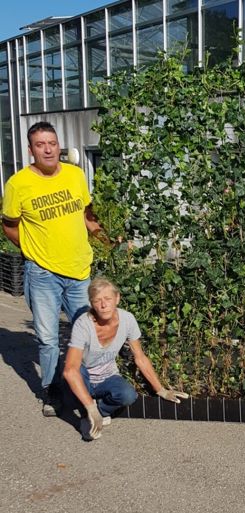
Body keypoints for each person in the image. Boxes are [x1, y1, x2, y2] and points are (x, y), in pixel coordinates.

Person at [1, 121, 109, 417]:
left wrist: (107, 239)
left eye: (52, 143)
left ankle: (86, 385)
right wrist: (31, 251)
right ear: (31, 149)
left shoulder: (75, 175)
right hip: (43, 275)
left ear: (58, 145)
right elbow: (9, 225)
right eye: (40, 144)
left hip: (78, 271)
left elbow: (87, 215)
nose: (47, 149)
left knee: (85, 333)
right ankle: (52, 390)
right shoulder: (18, 184)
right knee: (48, 339)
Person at [63, 277, 188, 441]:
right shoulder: (83, 324)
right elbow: (70, 370)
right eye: (97, 300)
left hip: (106, 376)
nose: (103, 305)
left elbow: (140, 357)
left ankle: (99, 412)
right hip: (83, 377)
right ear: (92, 303)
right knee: (77, 369)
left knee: (128, 395)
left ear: (117, 298)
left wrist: (161, 390)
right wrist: (90, 407)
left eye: (107, 299)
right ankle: (87, 411)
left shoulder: (127, 320)